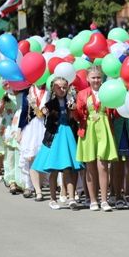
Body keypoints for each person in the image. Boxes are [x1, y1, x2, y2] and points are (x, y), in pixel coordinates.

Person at [33, 77, 83, 210]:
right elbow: (43, 112)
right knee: (54, 169)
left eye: (64, 87)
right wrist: (43, 111)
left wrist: (73, 111)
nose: (62, 90)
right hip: (55, 136)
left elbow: (76, 117)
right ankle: (53, 198)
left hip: (67, 135)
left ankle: (71, 198)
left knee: (68, 168)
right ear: (53, 89)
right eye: (59, 87)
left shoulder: (70, 101)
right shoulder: (50, 103)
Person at [74, 65, 119, 212]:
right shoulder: (82, 94)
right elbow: (78, 114)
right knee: (90, 166)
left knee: (103, 165)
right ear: (87, 78)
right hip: (88, 130)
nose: (96, 80)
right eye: (93, 77)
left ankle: (104, 200)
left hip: (104, 128)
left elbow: (115, 110)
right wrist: (74, 110)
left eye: (98, 77)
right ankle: (93, 199)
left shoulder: (107, 91)